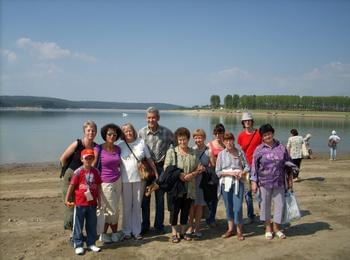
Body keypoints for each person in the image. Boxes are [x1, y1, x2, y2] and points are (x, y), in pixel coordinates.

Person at [251, 124, 292, 240]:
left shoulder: (281, 147)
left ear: (272, 133)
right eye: (265, 135)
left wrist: (290, 179)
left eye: (269, 133)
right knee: (265, 205)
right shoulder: (259, 150)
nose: (267, 136)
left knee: (280, 205)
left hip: (279, 182)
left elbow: (288, 163)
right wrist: (254, 182)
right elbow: (254, 166)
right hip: (264, 182)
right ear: (262, 137)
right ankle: (268, 228)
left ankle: (277, 228)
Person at [163, 127, 205, 243]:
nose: (182, 142)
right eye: (180, 140)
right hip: (176, 186)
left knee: (185, 210)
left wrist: (193, 174)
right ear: (177, 140)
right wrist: (180, 175)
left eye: (184, 139)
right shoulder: (172, 152)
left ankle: (182, 231)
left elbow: (199, 167)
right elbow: (166, 167)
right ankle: (174, 232)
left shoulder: (193, 152)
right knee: (174, 210)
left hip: (189, 186)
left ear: (188, 139)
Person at [139, 107, 174, 235]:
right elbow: (137, 149)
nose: (151, 120)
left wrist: (169, 160)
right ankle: (145, 225)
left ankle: (159, 225)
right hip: (147, 168)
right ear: (146, 118)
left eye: (153, 117)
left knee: (160, 198)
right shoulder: (141, 133)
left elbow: (175, 146)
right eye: (149, 118)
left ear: (158, 118)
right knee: (145, 198)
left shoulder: (167, 132)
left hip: (161, 167)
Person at [119, 123, 157, 240]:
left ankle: (136, 231)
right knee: (126, 206)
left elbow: (149, 158)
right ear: (122, 133)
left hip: (139, 179)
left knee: (137, 205)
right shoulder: (119, 145)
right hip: (124, 179)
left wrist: (155, 172)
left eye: (130, 130)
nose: (128, 133)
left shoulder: (141, 142)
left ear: (133, 131)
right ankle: (126, 231)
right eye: (125, 131)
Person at [60, 121, 97, 233]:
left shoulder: (95, 147)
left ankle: (79, 231)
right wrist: (66, 173)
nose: (91, 132)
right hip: (71, 175)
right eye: (88, 130)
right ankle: (72, 233)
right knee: (70, 204)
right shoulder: (78, 143)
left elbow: (93, 164)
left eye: (93, 130)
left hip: (85, 178)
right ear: (84, 131)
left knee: (82, 204)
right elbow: (63, 158)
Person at [65, 149, 102, 255]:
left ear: (93, 159)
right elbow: (71, 186)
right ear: (82, 159)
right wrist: (67, 199)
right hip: (80, 203)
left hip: (92, 204)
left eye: (91, 158)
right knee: (78, 225)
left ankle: (91, 243)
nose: (88, 160)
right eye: (86, 158)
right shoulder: (78, 172)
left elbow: (99, 187)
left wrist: (99, 200)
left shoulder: (96, 171)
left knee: (91, 224)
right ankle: (78, 244)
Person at [93, 123, 123, 243]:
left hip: (118, 180)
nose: (112, 136)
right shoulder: (98, 148)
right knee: (110, 209)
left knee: (113, 207)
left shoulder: (118, 149)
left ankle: (108, 234)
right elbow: (94, 165)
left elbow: (120, 164)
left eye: (114, 134)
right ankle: (109, 234)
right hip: (105, 182)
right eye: (109, 134)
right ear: (105, 135)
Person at [216, 132, 249, 241]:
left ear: (233, 140)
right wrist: (230, 173)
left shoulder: (240, 152)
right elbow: (218, 172)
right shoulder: (221, 154)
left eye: (230, 140)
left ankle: (239, 230)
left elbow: (247, 167)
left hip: (238, 183)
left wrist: (242, 173)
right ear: (223, 142)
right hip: (225, 184)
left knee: (238, 207)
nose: (229, 142)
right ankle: (230, 229)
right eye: (226, 141)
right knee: (228, 207)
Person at [237, 111, 262, 224]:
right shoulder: (241, 135)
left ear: (252, 121)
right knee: (247, 193)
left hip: (259, 167)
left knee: (260, 192)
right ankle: (250, 215)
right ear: (243, 122)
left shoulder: (259, 134)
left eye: (249, 120)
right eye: (245, 120)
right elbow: (241, 151)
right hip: (246, 167)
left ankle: (263, 215)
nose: (247, 122)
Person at [186, 129, 209, 238]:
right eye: (195, 137)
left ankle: (198, 227)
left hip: (202, 182)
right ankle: (190, 226)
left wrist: (205, 168)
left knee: (199, 204)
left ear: (204, 138)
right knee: (191, 204)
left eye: (200, 137)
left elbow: (213, 166)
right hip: (192, 180)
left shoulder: (208, 151)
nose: (198, 139)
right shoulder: (191, 150)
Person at [206, 123, 225, 227]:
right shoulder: (210, 145)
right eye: (216, 133)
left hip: (223, 174)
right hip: (212, 173)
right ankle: (209, 218)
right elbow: (211, 162)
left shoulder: (226, 145)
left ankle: (211, 217)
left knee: (216, 198)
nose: (218, 135)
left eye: (220, 133)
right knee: (211, 197)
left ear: (223, 133)